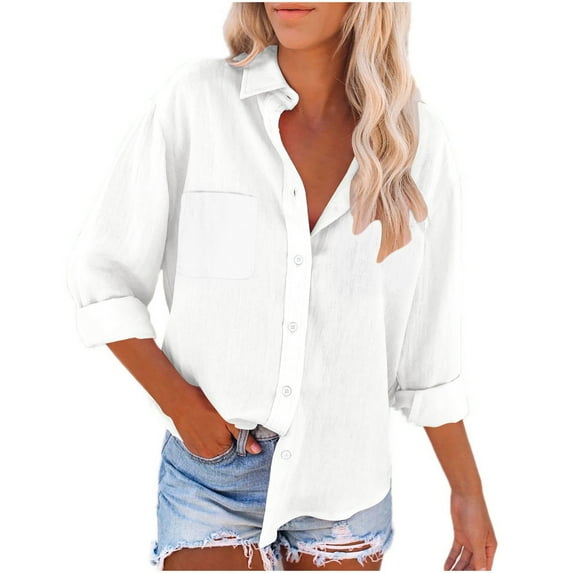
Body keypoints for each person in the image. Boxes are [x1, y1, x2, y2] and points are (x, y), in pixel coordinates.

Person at [66, 2, 497, 571]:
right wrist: (181, 405)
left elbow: (427, 350)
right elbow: (103, 275)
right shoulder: (197, 102)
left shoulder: (416, 141)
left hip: (344, 486)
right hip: (212, 476)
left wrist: (467, 491)